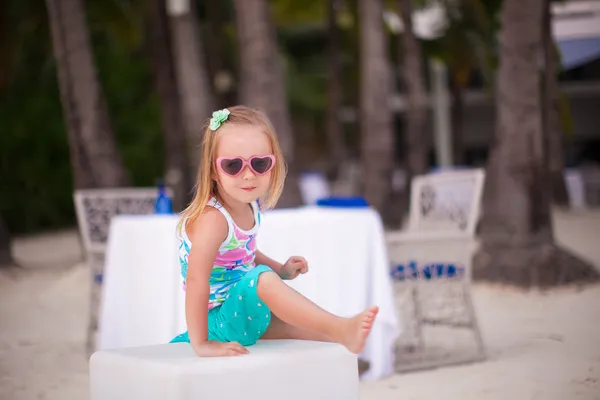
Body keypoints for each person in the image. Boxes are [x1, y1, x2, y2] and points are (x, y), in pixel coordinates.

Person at [170, 106, 379, 357]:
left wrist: (281, 270)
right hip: (218, 321)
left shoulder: (249, 205)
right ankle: (341, 326)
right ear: (214, 170)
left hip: (239, 311)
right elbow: (195, 280)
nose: (248, 175)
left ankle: (341, 334)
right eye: (233, 165)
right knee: (263, 278)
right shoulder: (212, 219)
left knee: (296, 325)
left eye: (259, 163)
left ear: (273, 164)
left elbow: (244, 254)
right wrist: (201, 343)